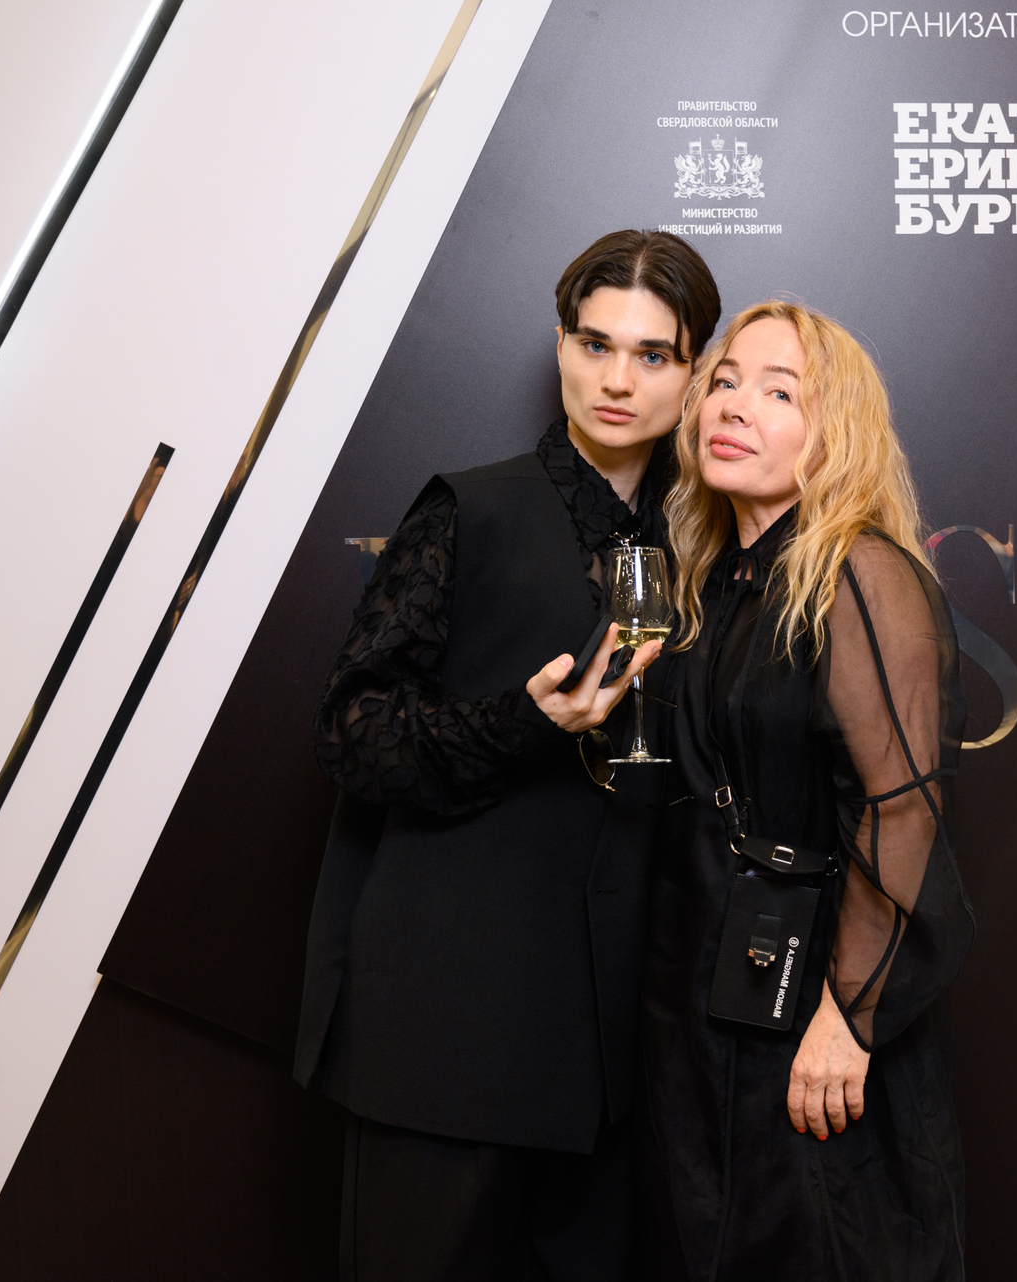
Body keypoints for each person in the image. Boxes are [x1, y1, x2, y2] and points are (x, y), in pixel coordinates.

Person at [296, 229, 720, 1280]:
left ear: (693, 371)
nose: (616, 380)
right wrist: (522, 723)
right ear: (562, 342)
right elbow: (351, 733)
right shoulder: (468, 508)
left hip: (612, 1059)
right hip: (448, 1032)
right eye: (594, 343)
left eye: (653, 355)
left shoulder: (703, 546)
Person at [639, 300, 974, 1280]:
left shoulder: (861, 573)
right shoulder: (716, 581)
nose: (734, 405)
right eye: (725, 381)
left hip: (814, 1008)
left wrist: (848, 1014)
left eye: (779, 392)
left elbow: (903, 804)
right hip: (711, 1006)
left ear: (838, 433)